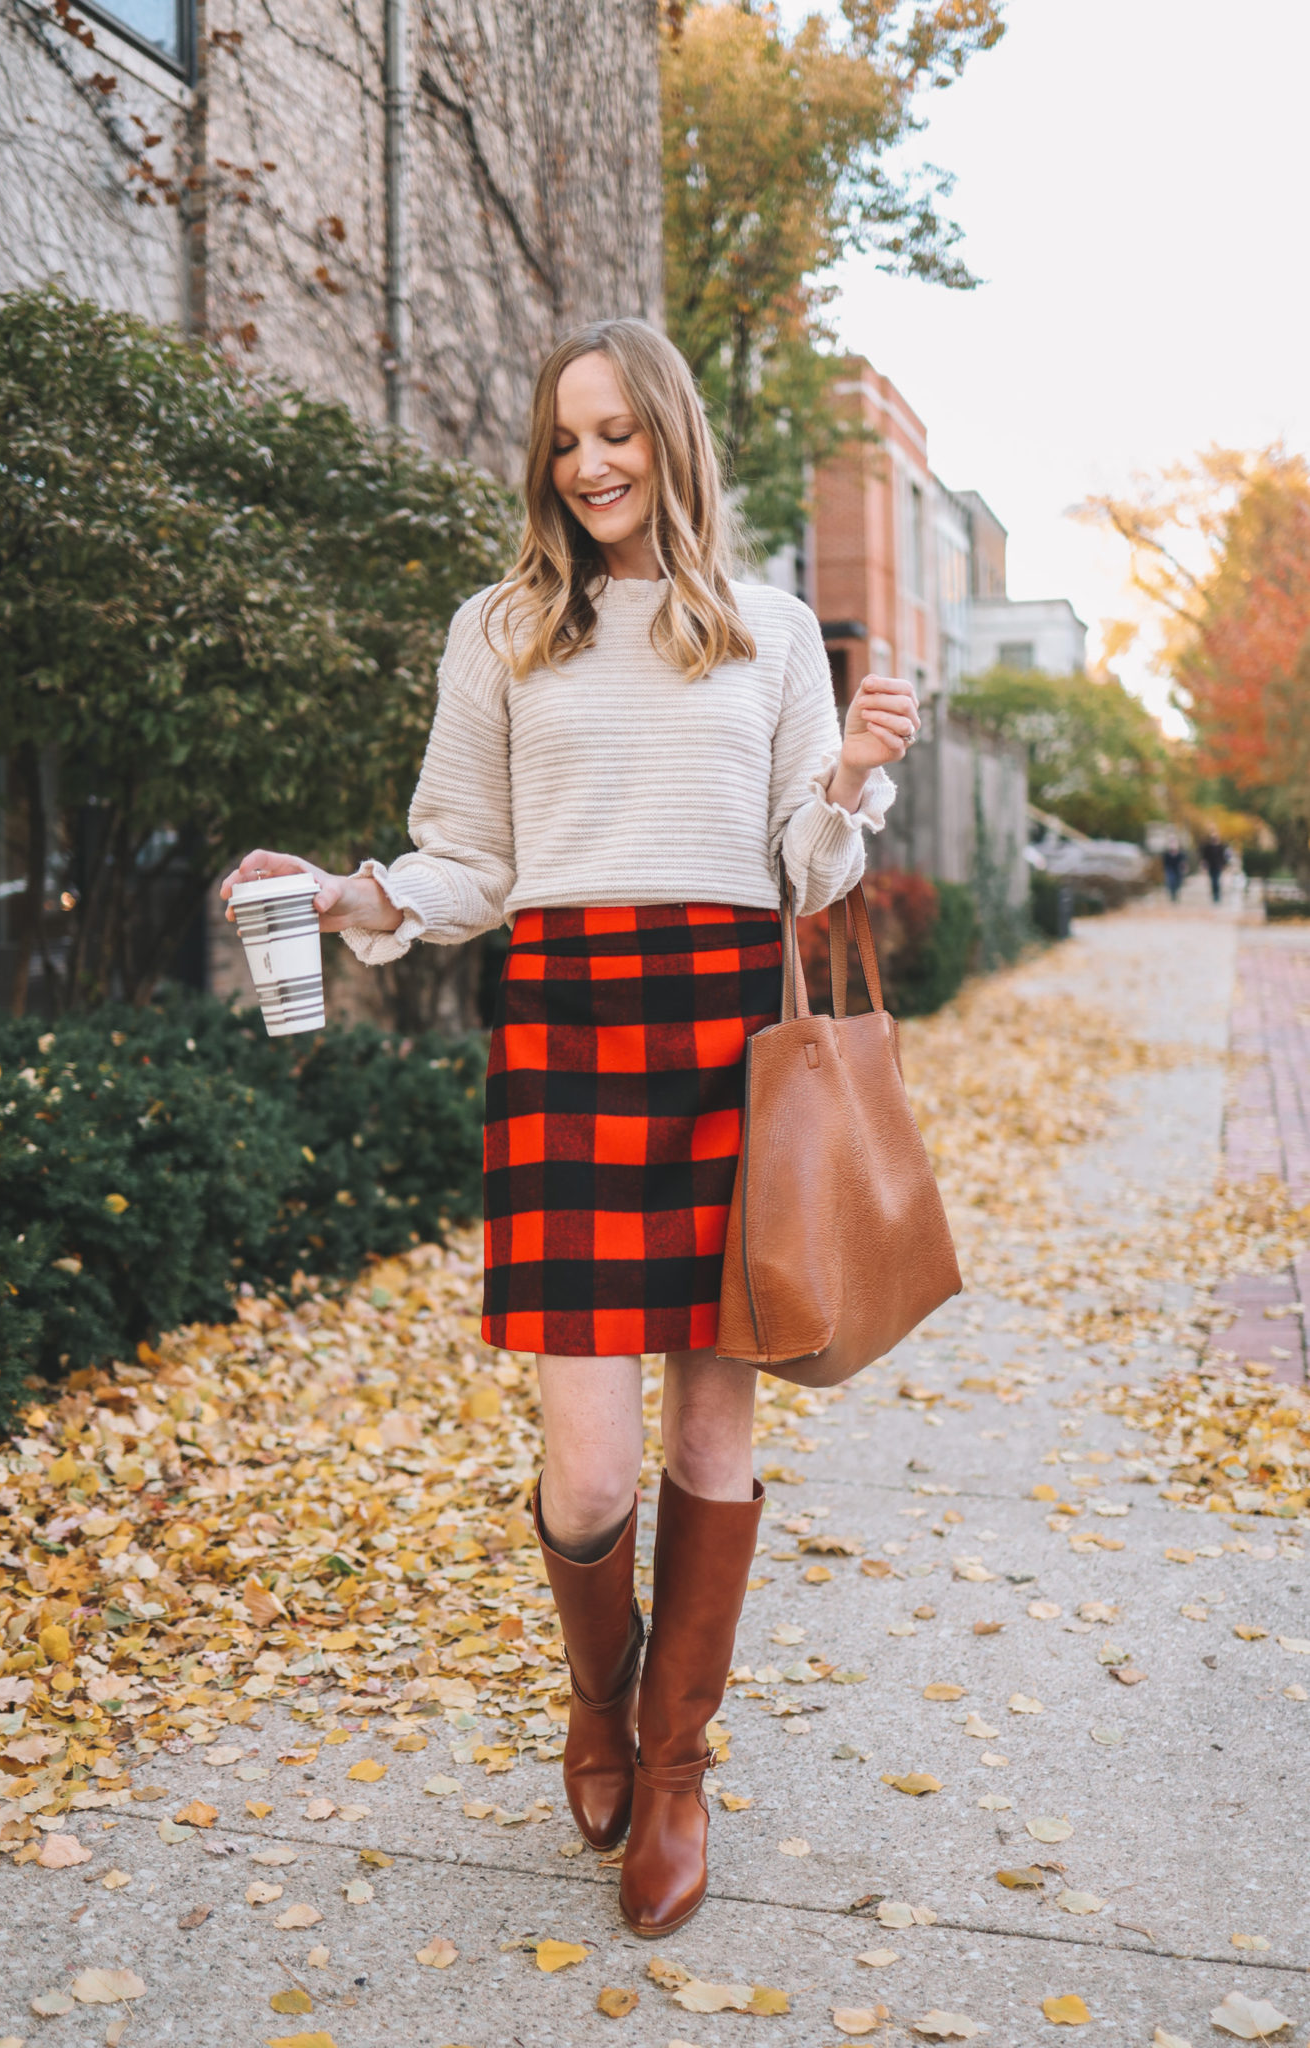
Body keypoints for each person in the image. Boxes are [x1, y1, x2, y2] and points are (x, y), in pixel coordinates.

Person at [221, 319, 918, 1937]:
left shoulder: (768, 629)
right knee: (594, 1470)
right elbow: (468, 856)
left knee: (708, 1441)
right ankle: (597, 1698)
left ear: (670, 435)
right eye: (565, 440)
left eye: (617, 433)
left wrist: (852, 783)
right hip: (571, 1032)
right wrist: (347, 894)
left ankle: (671, 1766)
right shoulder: (504, 628)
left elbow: (806, 879)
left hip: (732, 1042)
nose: (590, 464)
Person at [1200, 831, 1228, 904]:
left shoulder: (1221, 847)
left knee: (1217, 881)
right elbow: (1204, 857)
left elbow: (1223, 857)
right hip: (1211, 867)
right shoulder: (1208, 847)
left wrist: (1224, 865)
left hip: (1218, 867)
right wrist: (1204, 866)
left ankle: (1217, 895)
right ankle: (1214, 895)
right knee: (1213, 881)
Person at [1161, 833, 1187, 903]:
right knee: (1171, 882)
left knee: (1177, 883)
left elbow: (1183, 861)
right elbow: (1165, 862)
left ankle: (1175, 894)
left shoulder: (1180, 853)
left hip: (1178, 869)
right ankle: (1173, 895)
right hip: (1170, 869)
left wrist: (1184, 868)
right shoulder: (1167, 853)